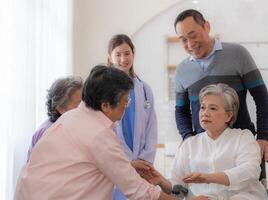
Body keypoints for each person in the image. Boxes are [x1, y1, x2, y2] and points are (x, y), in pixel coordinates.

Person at [14, 65, 177, 200]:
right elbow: (138, 190)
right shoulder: (99, 135)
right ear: (105, 105)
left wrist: (128, 166)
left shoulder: (72, 116)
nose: (126, 107)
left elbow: (85, 163)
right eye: (125, 102)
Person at [174, 9, 268, 161]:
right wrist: (187, 138)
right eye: (183, 39)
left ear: (207, 26)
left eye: (193, 35)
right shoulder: (182, 70)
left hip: (241, 147)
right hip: (203, 150)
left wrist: (263, 136)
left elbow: (261, 98)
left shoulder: (238, 54)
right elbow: (181, 111)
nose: (190, 44)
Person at [147, 84, 268, 200]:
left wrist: (208, 178)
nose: (205, 113)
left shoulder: (243, 137)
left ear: (228, 115)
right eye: (202, 107)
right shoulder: (189, 144)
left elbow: (250, 171)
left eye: (213, 108)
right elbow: (177, 186)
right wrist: (161, 181)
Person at [107, 34, 158, 200]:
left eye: (127, 53)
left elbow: (152, 126)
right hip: (115, 162)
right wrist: (128, 162)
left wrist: (145, 160)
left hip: (142, 165)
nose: (123, 59)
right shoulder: (104, 90)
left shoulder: (144, 89)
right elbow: (106, 129)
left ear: (133, 54)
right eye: (118, 54)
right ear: (110, 58)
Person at [27, 76, 83, 162]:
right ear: (61, 108)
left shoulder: (72, 125)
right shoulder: (47, 134)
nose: (83, 108)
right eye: (78, 104)